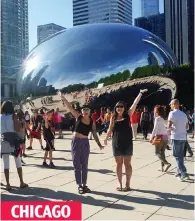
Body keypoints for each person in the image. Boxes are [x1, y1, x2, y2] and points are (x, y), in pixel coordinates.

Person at [59, 91, 104, 194]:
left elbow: (94, 133)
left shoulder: (92, 122)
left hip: (84, 142)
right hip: (76, 142)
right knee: (76, 164)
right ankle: (79, 185)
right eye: (84, 109)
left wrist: (99, 144)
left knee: (84, 165)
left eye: (87, 109)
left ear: (90, 112)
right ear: (82, 111)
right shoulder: (78, 117)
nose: (85, 111)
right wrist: (63, 97)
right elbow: (69, 107)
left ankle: (84, 184)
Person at [104, 89, 148, 191]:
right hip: (116, 143)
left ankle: (127, 184)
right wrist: (106, 138)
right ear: (115, 108)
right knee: (119, 164)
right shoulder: (113, 118)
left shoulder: (128, 114)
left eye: (121, 106)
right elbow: (110, 129)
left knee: (127, 164)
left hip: (127, 143)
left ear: (124, 108)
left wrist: (140, 93)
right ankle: (120, 184)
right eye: (117, 107)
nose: (119, 108)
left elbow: (135, 103)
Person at [0, 101, 28, 190]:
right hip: (13, 140)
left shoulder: (0, 117)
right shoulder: (13, 116)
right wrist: (16, 121)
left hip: (3, 140)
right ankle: (21, 182)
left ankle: (8, 184)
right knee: (18, 161)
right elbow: (18, 128)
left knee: (6, 163)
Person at [168, 99, 189, 181]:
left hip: (176, 137)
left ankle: (183, 172)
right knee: (180, 156)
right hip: (183, 137)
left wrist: (170, 128)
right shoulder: (184, 114)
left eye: (171, 104)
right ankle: (178, 172)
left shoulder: (172, 113)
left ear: (174, 104)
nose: (170, 106)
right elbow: (187, 127)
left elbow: (169, 125)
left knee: (177, 156)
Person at [150, 105, 171, 172]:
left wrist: (151, 137)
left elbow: (155, 129)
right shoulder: (165, 118)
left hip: (159, 136)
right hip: (165, 137)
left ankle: (166, 163)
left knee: (157, 152)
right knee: (162, 153)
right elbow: (168, 127)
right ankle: (162, 168)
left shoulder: (158, 118)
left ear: (157, 111)